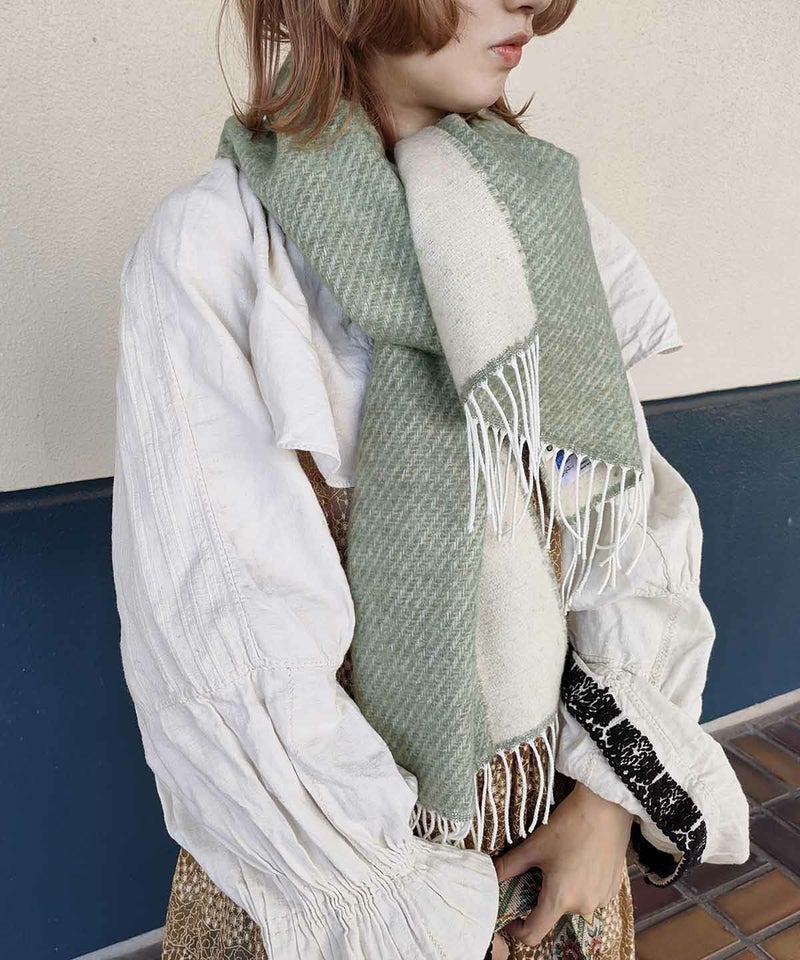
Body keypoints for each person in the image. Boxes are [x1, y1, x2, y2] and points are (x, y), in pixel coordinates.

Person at [110, 1, 750, 958]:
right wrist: (416, 909)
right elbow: (223, 639)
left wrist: (605, 808)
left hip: (558, 840)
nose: (532, 2)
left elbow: (620, 527)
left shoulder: (542, 221)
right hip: (350, 889)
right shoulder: (219, 253)